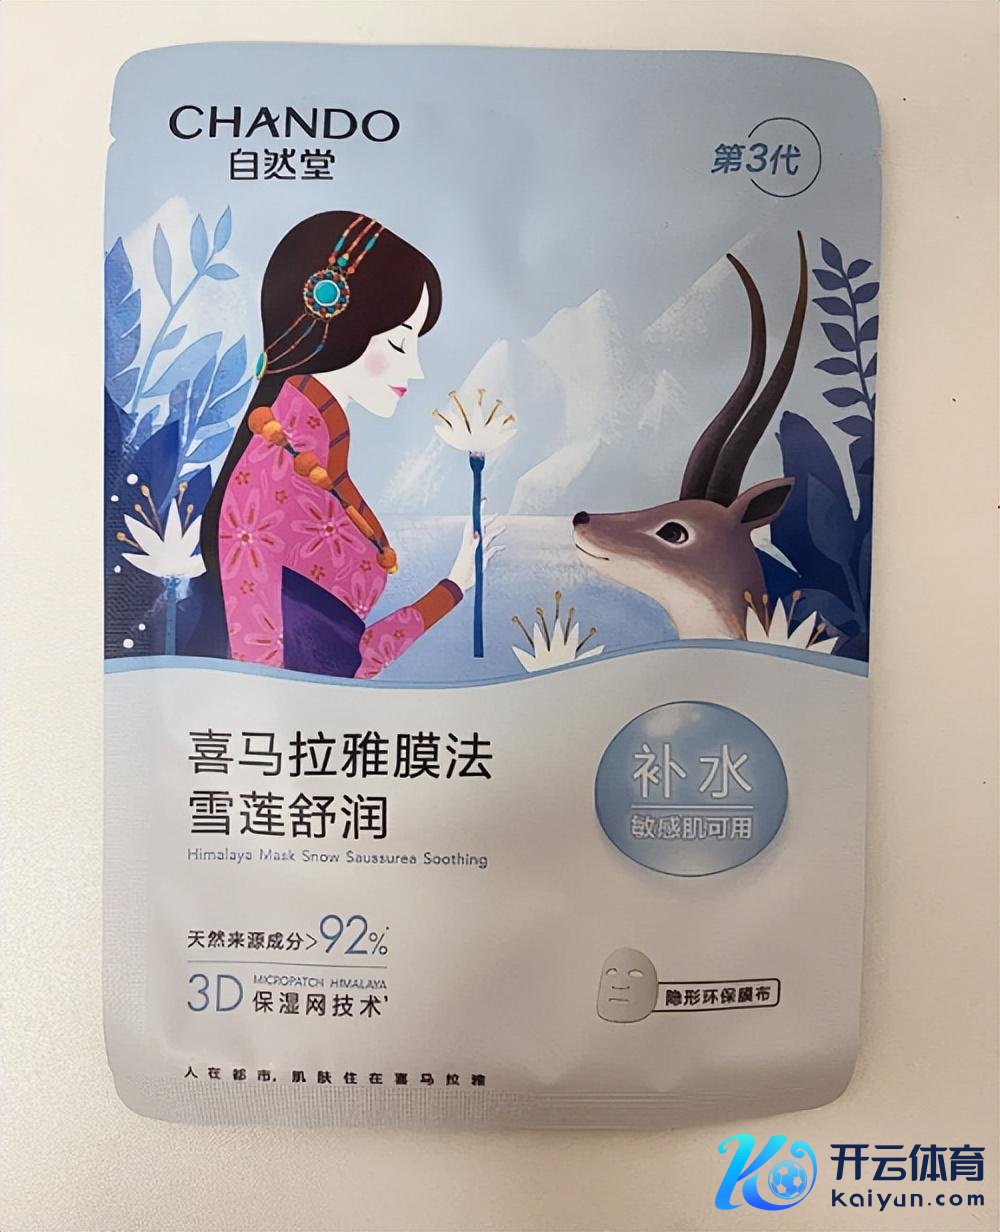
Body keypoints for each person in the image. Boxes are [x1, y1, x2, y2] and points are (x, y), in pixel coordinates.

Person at [195, 210, 500, 677]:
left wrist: (455, 584)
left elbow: (351, 655)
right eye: (399, 344)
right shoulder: (270, 471)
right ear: (339, 326)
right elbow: (267, 670)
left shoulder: (308, 453)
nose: (415, 368)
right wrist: (453, 587)